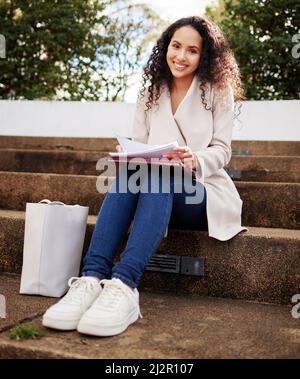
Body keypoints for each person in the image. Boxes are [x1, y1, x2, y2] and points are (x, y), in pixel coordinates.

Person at [42, 16, 248, 337]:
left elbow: (222, 151)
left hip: (201, 193)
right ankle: (91, 280)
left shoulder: (218, 90)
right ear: (166, 47)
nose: (181, 56)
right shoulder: (151, 90)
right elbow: (139, 144)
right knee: (136, 173)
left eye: (192, 50)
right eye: (175, 46)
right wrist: (129, 152)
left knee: (158, 174)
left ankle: (124, 284)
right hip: (153, 184)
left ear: (204, 55)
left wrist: (195, 159)